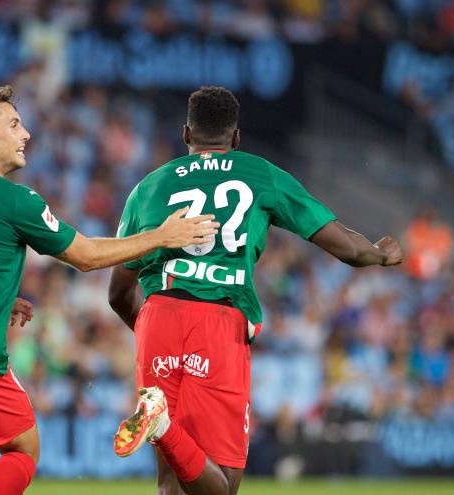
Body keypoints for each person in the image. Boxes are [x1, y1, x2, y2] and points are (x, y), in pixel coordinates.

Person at [0, 86, 219, 495]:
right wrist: (162, 235)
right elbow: (87, 256)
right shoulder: (14, 199)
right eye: (14, 124)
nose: (25, 134)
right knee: (22, 450)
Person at [109, 86, 402, 495]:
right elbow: (348, 249)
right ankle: (160, 425)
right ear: (236, 138)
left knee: (170, 484)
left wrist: (151, 332)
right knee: (223, 485)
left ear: (186, 133)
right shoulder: (258, 172)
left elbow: (118, 293)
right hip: (217, 321)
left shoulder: (149, 187)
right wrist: (382, 255)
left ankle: (160, 423)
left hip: (156, 318)